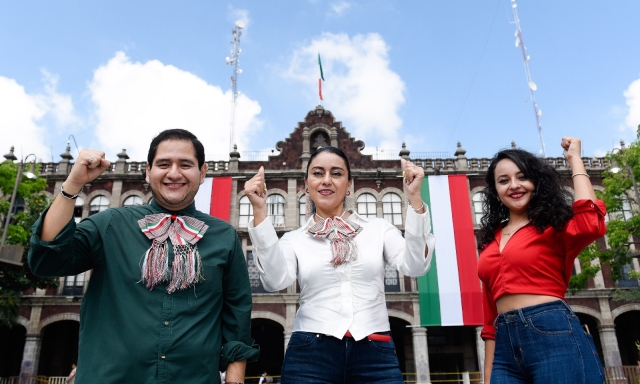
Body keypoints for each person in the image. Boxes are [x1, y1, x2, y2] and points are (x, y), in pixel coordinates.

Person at [29, 129, 259, 383]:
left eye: (185, 164)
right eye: (163, 164)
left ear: (202, 173)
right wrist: (73, 186)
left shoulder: (223, 235)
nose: (174, 173)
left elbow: (237, 313)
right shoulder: (110, 225)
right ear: (148, 172)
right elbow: (47, 259)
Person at [244, 146, 436, 383]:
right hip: (309, 354)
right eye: (317, 173)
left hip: (375, 352)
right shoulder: (294, 239)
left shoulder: (378, 229)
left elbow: (415, 266)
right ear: (306, 184)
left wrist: (415, 200)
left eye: (336, 174)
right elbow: (274, 281)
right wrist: (260, 212)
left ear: (350, 185)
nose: (326, 181)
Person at [477, 137, 606, 383]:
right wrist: (488, 376)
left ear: (536, 182)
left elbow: (591, 223)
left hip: (553, 331)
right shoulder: (490, 241)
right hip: (504, 345)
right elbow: (490, 318)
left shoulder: (553, 225)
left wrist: (575, 160)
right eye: (504, 181)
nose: (514, 185)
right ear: (495, 191)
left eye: (522, 177)